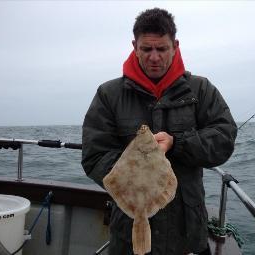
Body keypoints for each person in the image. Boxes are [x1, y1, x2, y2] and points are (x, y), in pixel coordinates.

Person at [82, 8, 237, 255]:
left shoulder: (200, 90)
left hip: (186, 233)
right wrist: (136, 162)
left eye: (162, 49)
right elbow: (94, 155)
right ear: (135, 46)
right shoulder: (109, 95)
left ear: (175, 46)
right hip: (129, 231)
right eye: (146, 49)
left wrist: (178, 144)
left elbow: (224, 138)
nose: (154, 57)